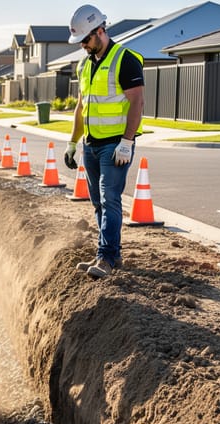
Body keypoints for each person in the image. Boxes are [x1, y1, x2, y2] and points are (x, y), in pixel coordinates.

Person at [63, 4, 145, 279]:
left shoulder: (126, 59)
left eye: (86, 39)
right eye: (80, 41)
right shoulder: (84, 65)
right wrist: (73, 143)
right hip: (92, 144)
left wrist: (127, 142)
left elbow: (137, 102)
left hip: (115, 145)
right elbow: (81, 106)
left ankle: (105, 258)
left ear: (100, 31)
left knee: (110, 200)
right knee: (97, 202)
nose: (83, 45)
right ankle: (111, 253)